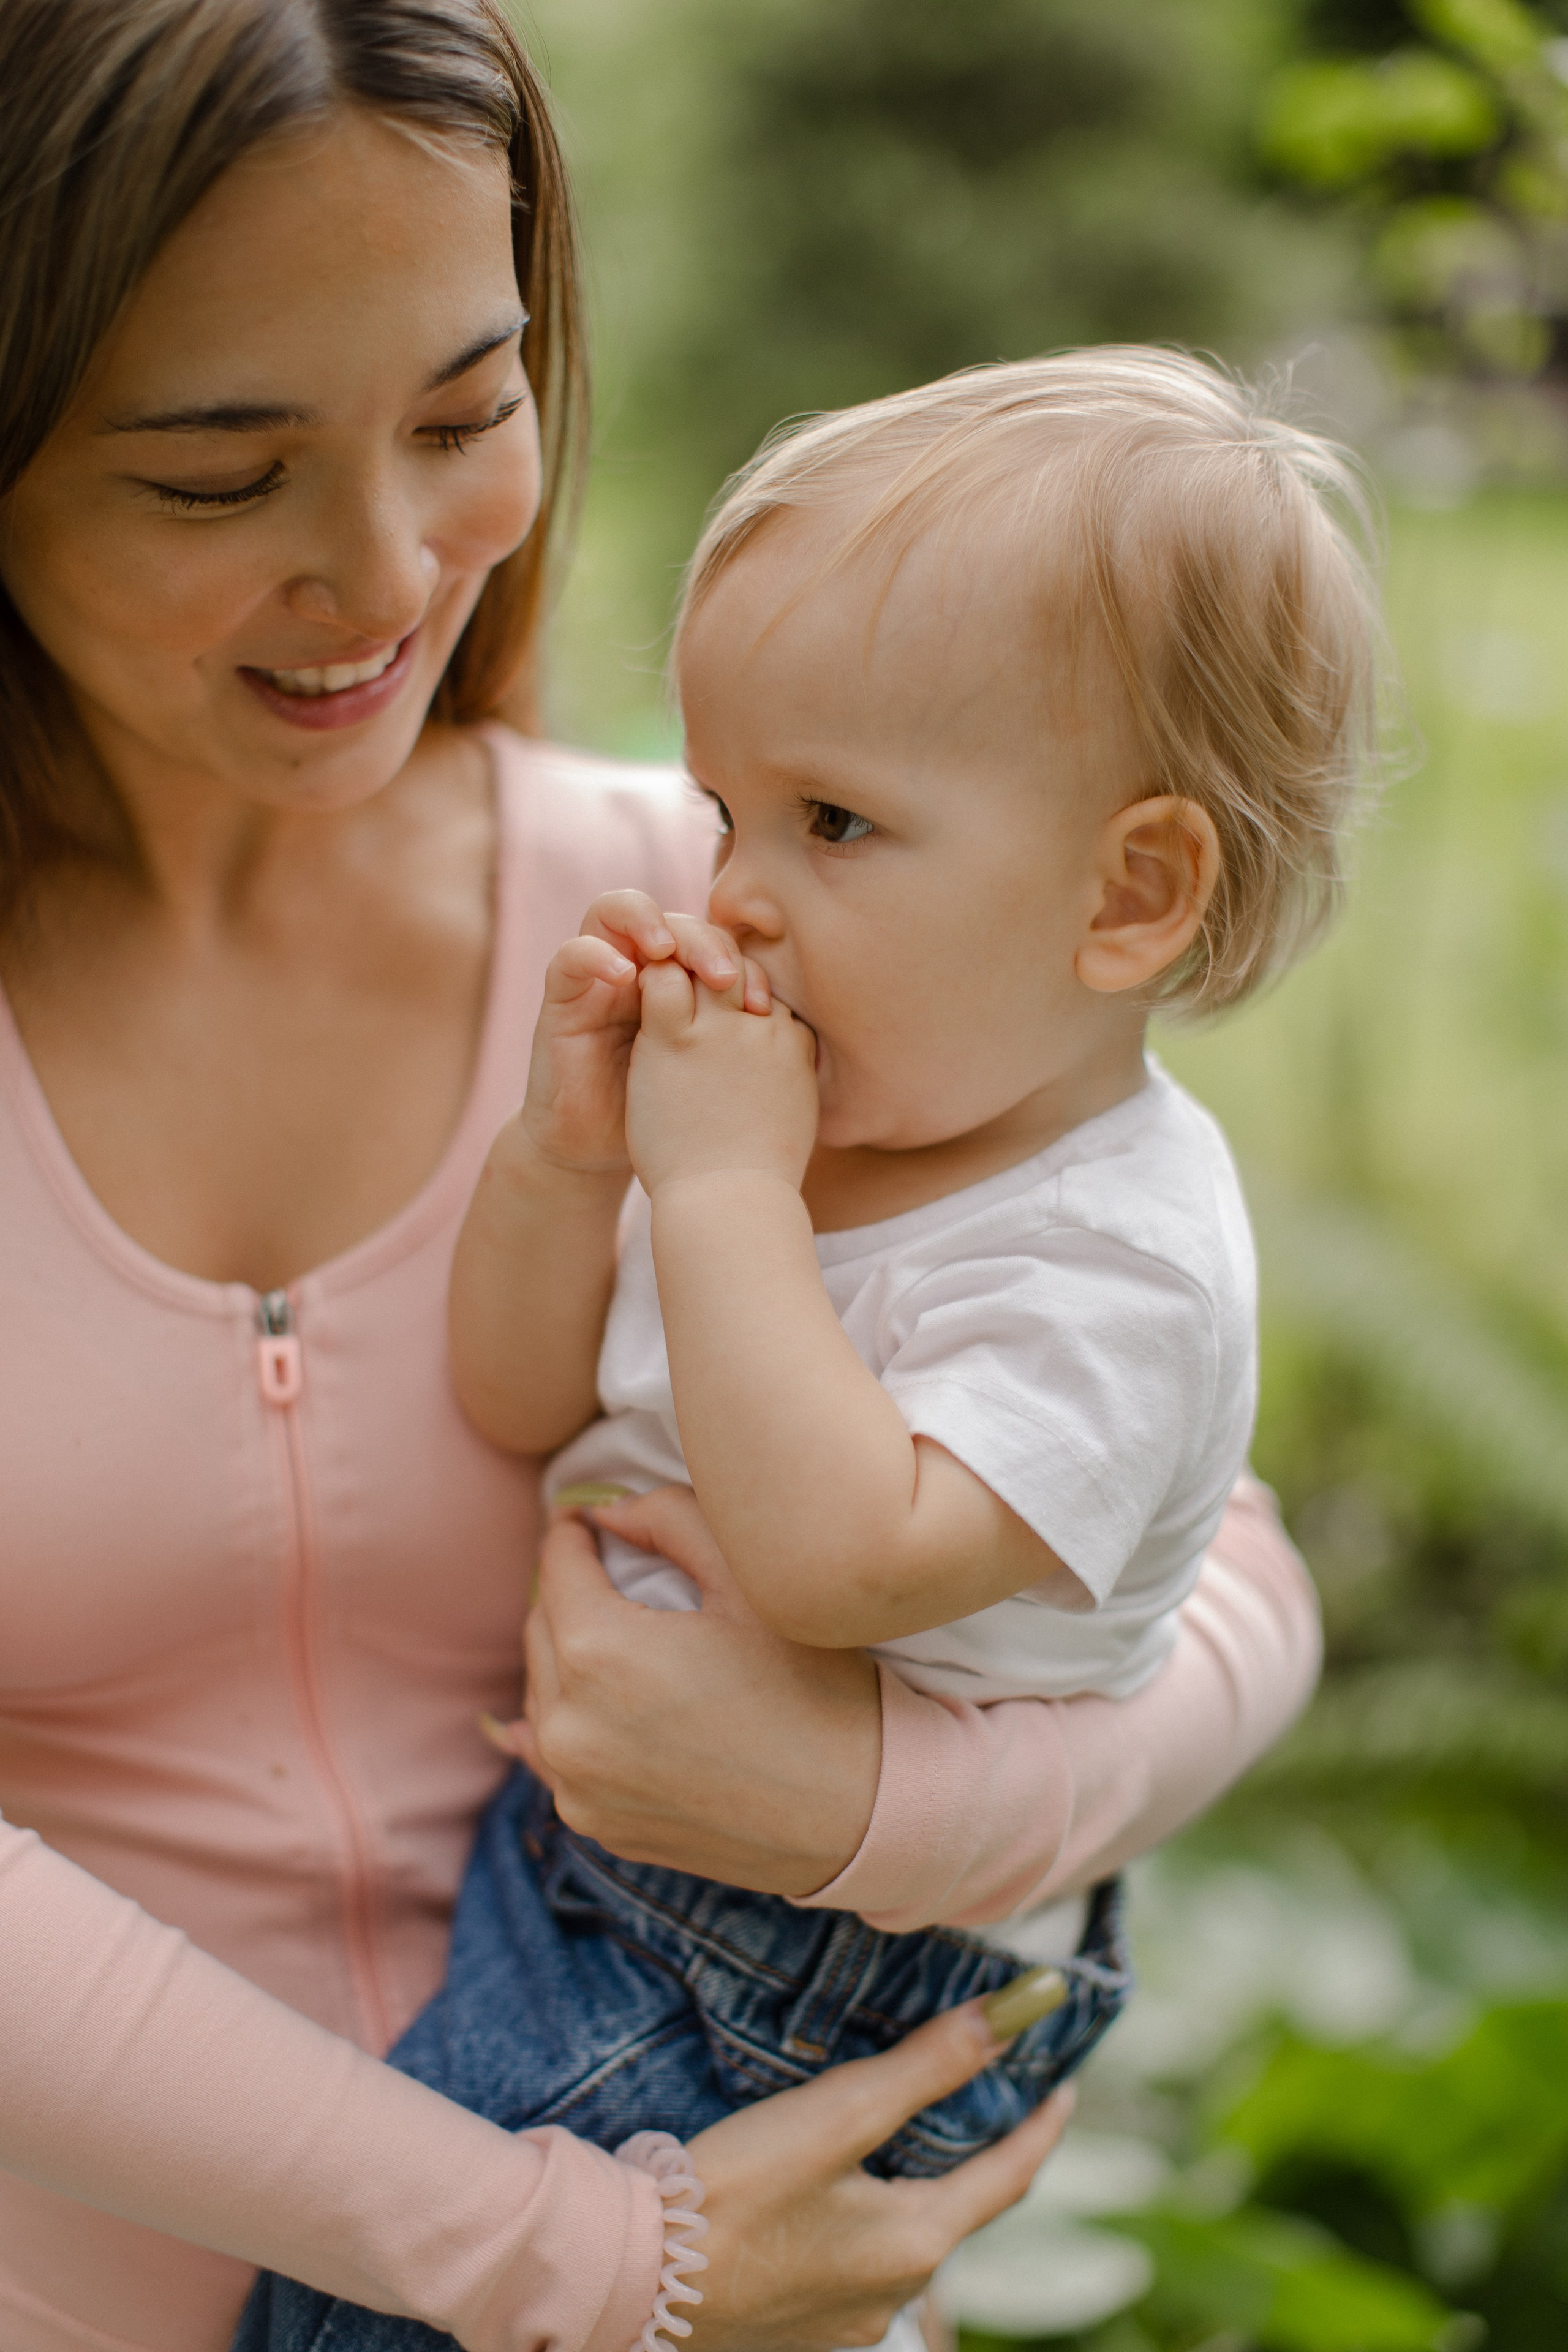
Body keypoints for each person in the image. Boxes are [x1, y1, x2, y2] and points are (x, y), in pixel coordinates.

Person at [0, 3, 1322, 2348]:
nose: (390, 565)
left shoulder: (721, 931)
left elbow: (1218, 1557)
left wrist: (880, 1818)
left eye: (464, 410)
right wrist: (586, 2263)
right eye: (220, 476)